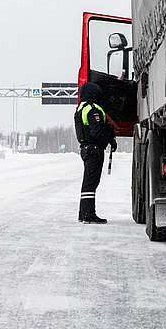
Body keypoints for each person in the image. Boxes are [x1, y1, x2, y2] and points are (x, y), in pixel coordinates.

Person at [74, 82, 117, 224]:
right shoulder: (93, 110)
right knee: (91, 182)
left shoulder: (81, 108)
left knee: (88, 182)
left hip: (87, 149)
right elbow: (97, 132)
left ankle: (83, 213)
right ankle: (88, 214)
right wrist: (110, 136)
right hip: (94, 150)